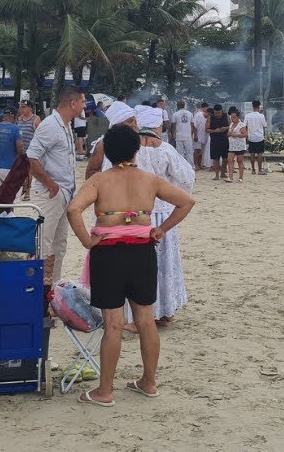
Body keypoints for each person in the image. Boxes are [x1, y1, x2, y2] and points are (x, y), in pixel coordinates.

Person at [67, 125, 194, 407]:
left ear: (107, 152)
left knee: (113, 324)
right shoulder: (150, 180)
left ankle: (105, 392)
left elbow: (73, 209)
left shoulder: (99, 181)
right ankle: (148, 382)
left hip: (108, 254)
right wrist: (161, 229)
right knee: (145, 319)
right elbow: (187, 201)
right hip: (142, 253)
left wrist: (88, 241)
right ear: (137, 150)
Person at [28, 86, 84, 285]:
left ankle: (51, 293)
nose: (84, 106)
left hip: (63, 193)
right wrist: (51, 185)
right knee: (42, 245)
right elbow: (32, 156)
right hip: (50, 194)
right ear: (73, 103)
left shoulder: (66, 125)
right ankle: (35, 294)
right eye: (83, 102)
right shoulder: (50, 125)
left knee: (59, 246)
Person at [0, 109, 24, 202]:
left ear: (3, 116)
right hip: (10, 169)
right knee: (10, 200)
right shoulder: (15, 129)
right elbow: (20, 151)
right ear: (15, 117)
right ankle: (10, 216)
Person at [207, 104, 230, 181]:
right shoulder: (210, 117)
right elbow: (206, 129)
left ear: (221, 111)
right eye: (216, 113)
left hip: (225, 139)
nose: (217, 115)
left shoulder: (226, 116)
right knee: (216, 158)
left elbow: (231, 126)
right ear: (214, 112)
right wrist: (215, 131)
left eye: (219, 113)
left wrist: (225, 128)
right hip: (215, 140)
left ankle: (223, 173)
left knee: (225, 158)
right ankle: (217, 175)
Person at [245, 100, 267, 175]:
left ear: (252, 106)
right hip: (259, 137)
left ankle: (253, 170)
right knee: (259, 153)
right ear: (259, 106)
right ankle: (260, 170)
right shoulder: (261, 116)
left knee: (252, 153)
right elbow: (265, 125)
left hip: (251, 137)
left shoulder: (248, 115)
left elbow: (245, 125)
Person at [226, 107, 247, 183]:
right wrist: (229, 133)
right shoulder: (231, 124)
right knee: (230, 160)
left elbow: (245, 135)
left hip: (240, 146)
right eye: (231, 117)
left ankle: (241, 177)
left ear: (238, 117)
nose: (232, 119)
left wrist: (237, 135)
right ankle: (230, 177)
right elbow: (228, 134)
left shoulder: (241, 125)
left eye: (234, 117)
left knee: (240, 161)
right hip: (232, 145)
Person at [191, 103, 210, 171]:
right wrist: (195, 135)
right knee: (197, 150)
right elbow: (194, 125)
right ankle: (195, 165)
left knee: (202, 151)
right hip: (198, 136)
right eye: (206, 108)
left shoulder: (208, 115)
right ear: (203, 108)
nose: (207, 109)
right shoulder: (198, 114)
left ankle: (200, 164)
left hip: (204, 137)